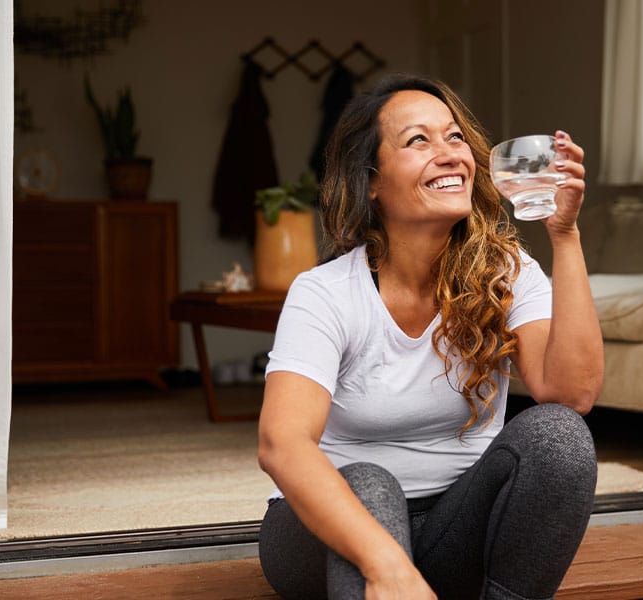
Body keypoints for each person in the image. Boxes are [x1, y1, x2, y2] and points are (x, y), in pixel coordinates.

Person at [257, 73, 604, 600]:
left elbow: (572, 393)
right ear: (371, 180)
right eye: (418, 140)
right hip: (330, 533)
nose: (449, 154)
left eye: (455, 137)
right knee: (370, 482)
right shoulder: (325, 293)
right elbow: (281, 445)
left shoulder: (507, 273)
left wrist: (565, 235)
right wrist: (386, 563)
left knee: (560, 436)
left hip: (453, 529)